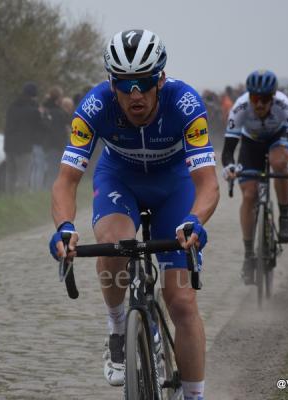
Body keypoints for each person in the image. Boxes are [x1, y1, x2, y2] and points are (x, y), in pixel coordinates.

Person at [49, 29, 219, 399]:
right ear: (112, 83)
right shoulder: (94, 107)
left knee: (182, 302)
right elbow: (65, 181)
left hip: (174, 185)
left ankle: (194, 395)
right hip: (120, 179)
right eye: (125, 84)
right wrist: (63, 227)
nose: (135, 94)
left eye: (144, 82)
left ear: (160, 78)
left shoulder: (186, 103)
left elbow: (207, 183)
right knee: (113, 244)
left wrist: (195, 220)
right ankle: (116, 329)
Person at [221, 70, 288, 284]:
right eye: (255, 99)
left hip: (277, 139)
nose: (259, 104)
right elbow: (227, 151)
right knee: (250, 194)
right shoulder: (240, 108)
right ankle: (248, 254)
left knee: (278, 163)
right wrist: (229, 167)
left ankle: (283, 217)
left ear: (273, 98)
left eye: (264, 99)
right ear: (249, 97)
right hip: (250, 144)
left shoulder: (284, 105)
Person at [4, 82, 46, 193]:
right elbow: (40, 126)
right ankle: (22, 200)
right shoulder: (33, 110)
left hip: (9, 144)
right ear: (34, 96)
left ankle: (9, 198)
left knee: (10, 174)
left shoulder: (12, 106)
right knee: (23, 174)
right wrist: (41, 114)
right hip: (24, 146)